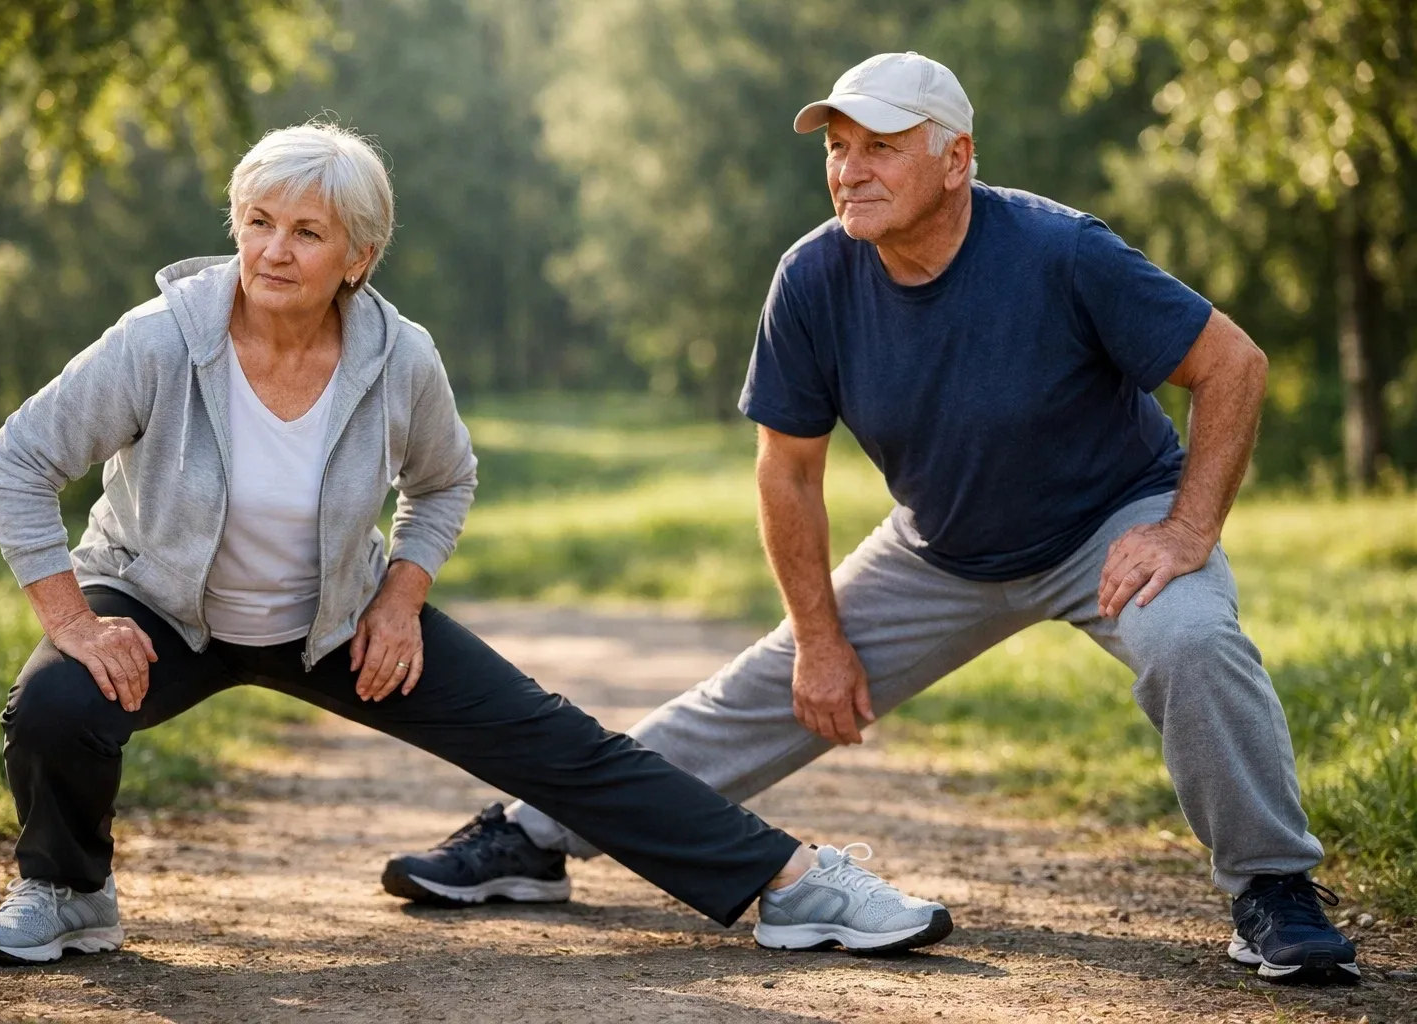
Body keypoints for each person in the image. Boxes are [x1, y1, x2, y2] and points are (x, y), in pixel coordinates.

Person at [382, 55, 1361, 985]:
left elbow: (1231, 363)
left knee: (1192, 639)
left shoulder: (1062, 252)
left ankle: (1273, 888)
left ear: (957, 159)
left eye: (881, 146)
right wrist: (820, 639)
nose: (850, 170)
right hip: (940, 546)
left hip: (1113, 522)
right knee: (762, 694)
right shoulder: (813, 277)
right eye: (836, 148)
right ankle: (532, 834)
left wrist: (1185, 530)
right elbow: (788, 473)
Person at [0, 122, 954, 966]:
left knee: (562, 744)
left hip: (337, 619)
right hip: (161, 610)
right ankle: (68, 891)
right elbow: (18, 461)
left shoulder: (399, 358)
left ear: (358, 255)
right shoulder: (161, 338)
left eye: (307, 232)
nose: (272, 250)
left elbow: (443, 483)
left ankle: (793, 881)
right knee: (55, 700)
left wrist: (399, 598)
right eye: (258, 222)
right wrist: (76, 621)